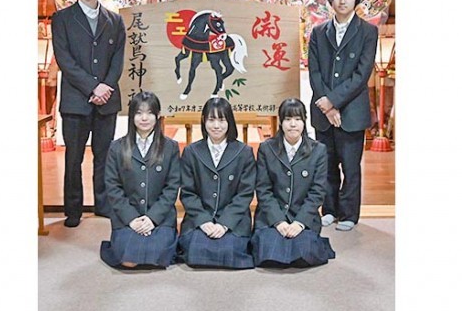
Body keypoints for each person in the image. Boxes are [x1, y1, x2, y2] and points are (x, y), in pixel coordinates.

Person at [52, 0, 126, 227]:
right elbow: (65, 59)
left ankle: (103, 204)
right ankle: (73, 210)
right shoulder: (62, 19)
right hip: (76, 100)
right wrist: (93, 87)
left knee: (104, 157)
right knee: (73, 157)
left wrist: (105, 86)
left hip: (107, 100)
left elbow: (117, 60)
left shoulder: (114, 20)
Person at [307, 0, 378, 231]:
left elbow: (362, 74)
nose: (342, 1)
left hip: (352, 111)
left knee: (350, 166)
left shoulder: (368, 31)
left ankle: (348, 214)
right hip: (323, 112)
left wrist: (333, 101)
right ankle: (329, 209)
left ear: (356, 0)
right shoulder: (318, 32)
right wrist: (327, 105)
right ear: (330, 1)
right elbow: (314, 71)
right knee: (326, 165)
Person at [100, 92, 181, 269]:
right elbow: (113, 188)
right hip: (127, 218)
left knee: (157, 257)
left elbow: (172, 188)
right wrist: (132, 219)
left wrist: (152, 218)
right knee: (129, 260)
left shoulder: (170, 147)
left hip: (160, 218)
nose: (144, 118)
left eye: (150, 113)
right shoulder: (117, 147)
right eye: (139, 113)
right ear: (131, 116)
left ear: (158, 115)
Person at [251, 98, 335, 268]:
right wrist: (279, 221)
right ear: (281, 122)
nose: (293, 124)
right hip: (272, 217)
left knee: (304, 252)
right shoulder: (267, 148)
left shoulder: (318, 150)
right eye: (288, 119)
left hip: (303, 217)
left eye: (298, 119)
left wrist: (299, 222)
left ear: (304, 121)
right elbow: (263, 190)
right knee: (269, 252)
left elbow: (317, 192)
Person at [178, 97, 256, 269]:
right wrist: (204, 221)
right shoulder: (191, 152)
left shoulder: (244, 152)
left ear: (230, 122)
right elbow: (188, 193)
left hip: (233, 221)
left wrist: (225, 224)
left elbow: (245, 194)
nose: (216, 126)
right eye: (211, 120)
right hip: (200, 219)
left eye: (221, 120)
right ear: (203, 121)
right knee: (196, 251)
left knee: (230, 250)